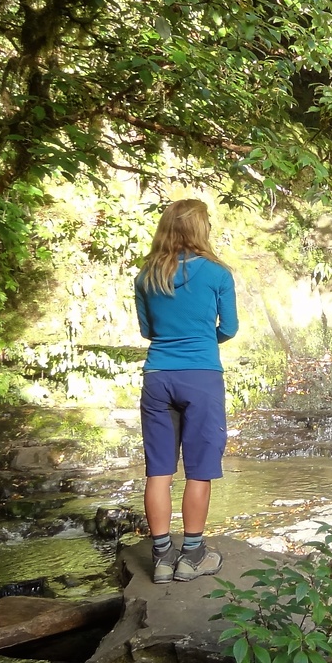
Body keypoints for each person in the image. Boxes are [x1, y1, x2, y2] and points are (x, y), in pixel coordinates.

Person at [134, 198, 238, 583]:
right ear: (200, 229)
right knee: (200, 470)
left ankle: (161, 557)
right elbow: (228, 328)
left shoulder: (146, 276)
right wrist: (201, 339)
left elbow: (147, 331)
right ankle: (192, 555)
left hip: (158, 376)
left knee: (158, 471)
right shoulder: (217, 274)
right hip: (201, 376)